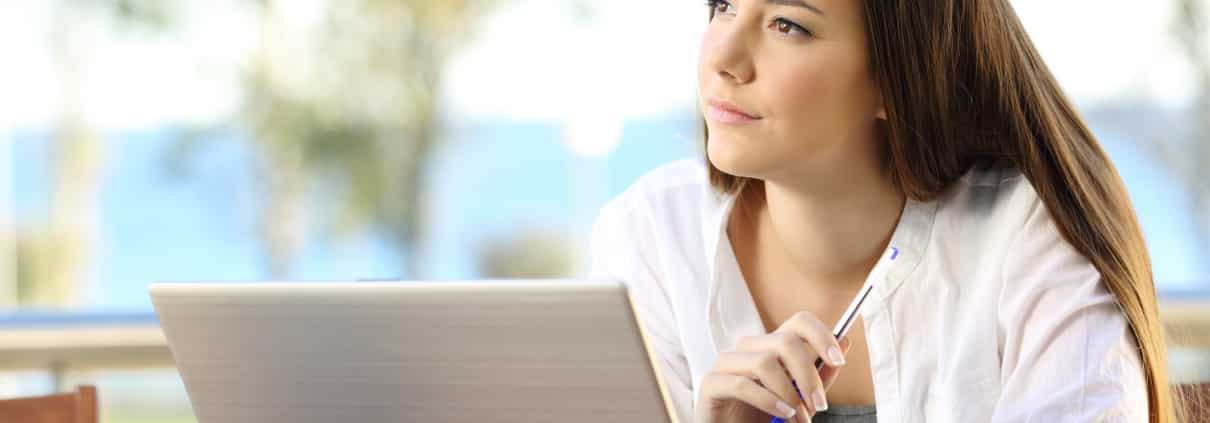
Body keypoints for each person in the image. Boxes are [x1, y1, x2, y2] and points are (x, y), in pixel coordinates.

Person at [588, 0, 1179, 422]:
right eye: (722, 6)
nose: (722, 57)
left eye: (787, 24)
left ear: (896, 78)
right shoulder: (651, 237)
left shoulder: (1033, 237)